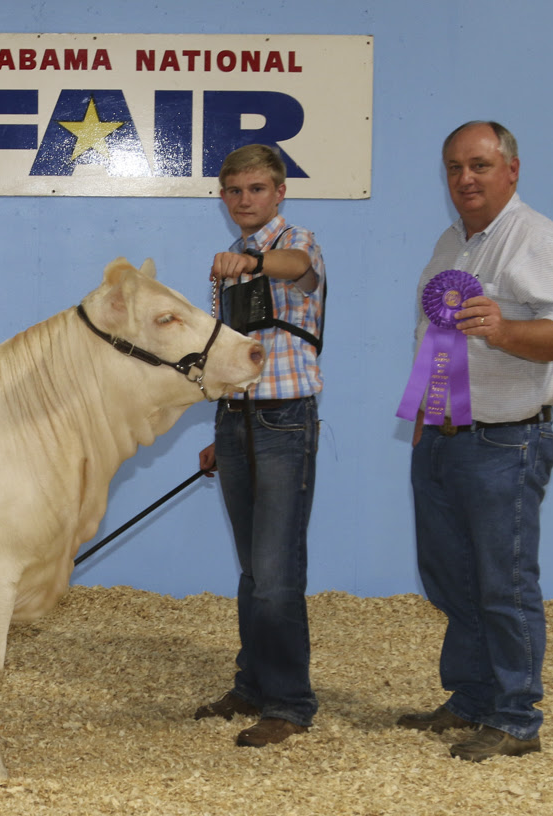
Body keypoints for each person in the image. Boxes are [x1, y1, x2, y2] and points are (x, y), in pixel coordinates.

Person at [397, 121, 553, 761]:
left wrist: (504, 331)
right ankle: (472, 697)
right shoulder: (454, 240)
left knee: (504, 584)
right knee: (451, 579)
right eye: (454, 167)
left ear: (512, 169)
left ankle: (516, 718)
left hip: (506, 441)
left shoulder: (537, 240)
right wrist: (425, 413)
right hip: (444, 436)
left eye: (479, 165)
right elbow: (438, 339)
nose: (466, 179)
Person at [193, 144, 325, 747]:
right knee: (253, 571)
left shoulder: (298, 242)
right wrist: (220, 428)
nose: (244, 200)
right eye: (234, 191)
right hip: (236, 420)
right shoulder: (227, 263)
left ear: (279, 192)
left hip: (283, 424)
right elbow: (227, 352)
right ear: (223, 196)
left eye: (256, 190)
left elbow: (298, 267)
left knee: (275, 573)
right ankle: (252, 683)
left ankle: (290, 701)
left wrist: (253, 263)